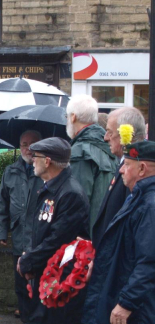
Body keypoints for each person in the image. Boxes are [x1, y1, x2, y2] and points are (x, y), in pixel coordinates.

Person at [83, 141, 155, 324]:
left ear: (143, 168)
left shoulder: (149, 204)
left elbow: (148, 262)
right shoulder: (139, 197)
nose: (121, 170)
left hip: (142, 308)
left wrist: (125, 303)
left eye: (127, 164)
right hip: (140, 305)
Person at [17, 137, 91, 324]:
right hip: (48, 274)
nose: (31, 161)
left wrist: (28, 262)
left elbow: (58, 238)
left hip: (66, 279)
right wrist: (30, 259)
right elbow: (38, 231)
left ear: (47, 161)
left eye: (35, 157)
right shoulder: (49, 189)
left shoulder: (69, 193)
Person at [0, 130, 43, 324]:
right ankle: (27, 320)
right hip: (19, 234)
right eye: (24, 144)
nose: (28, 148)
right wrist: (0, 233)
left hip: (40, 236)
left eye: (33, 144)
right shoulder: (11, 171)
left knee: (40, 280)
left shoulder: (46, 171)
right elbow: (1, 204)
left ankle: (40, 320)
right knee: (21, 282)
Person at [66, 95, 117, 233]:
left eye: (67, 117)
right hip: (107, 232)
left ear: (73, 117)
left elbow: (77, 203)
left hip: (86, 241)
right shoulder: (110, 147)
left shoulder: (80, 151)